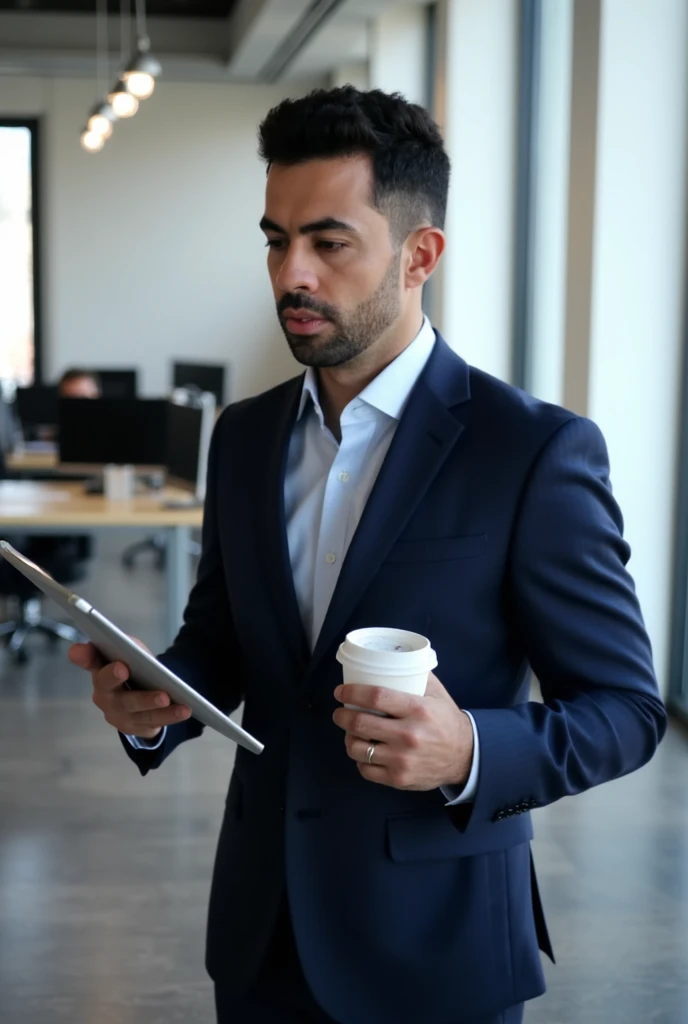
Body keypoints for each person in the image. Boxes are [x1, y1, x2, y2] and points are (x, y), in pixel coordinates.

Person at [69, 87, 666, 1024]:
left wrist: (470, 747)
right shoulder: (244, 437)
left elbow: (628, 712)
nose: (289, 274)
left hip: (438, 947)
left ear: (420, 254)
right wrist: (152, 701)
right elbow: (221, 639)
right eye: (275, 239)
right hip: (261, 935)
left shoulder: (532, 451)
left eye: (328, 243)